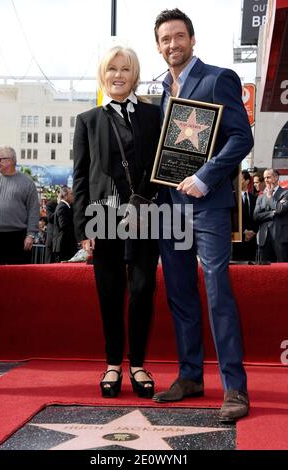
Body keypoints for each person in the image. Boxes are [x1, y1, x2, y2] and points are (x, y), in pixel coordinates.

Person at [152, 9, 254, 423]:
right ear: (159, 46)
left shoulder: (217, 78)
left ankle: (235, 389)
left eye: (178, 36)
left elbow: (241, 137)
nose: (172, 44)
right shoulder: (160, 90)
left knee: (217, 292)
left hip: (207, 204)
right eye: (164, 39)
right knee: (180, 294)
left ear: (192, 40)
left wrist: (205, 177)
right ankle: (191, 376)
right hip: (171, 209)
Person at [73, 46, 161, 398]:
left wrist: (142, 197)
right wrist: (82, 229)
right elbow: (80, 177)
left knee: (142, 290)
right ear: (103, 75)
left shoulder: (153, 116)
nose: (118, 75)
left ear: (134, 74)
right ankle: (113, 364)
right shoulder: (88, 120)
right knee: (109, 292)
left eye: (126, 69)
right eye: (112, 69)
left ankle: (137, 363)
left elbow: (159, 165)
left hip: (146, 215)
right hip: (102, 215)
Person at [0, 146, 39, 265]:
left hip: (18, 237)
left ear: (10, 160)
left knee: (19, 276)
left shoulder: (27, 182)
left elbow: (33, 210)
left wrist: (31, 235)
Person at [253, 168, 288, 262]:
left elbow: (281, 209)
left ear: (276, 177)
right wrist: (272, 213)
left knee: (282, 270)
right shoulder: (260, 196)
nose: (266, 180)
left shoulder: (285, 193)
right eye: (264, 178)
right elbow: (256, 216)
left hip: (280, 238)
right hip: (263, 239)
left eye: (268, 177)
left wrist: (270, 197)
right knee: (264, 272)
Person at [232, 170, 258, 261]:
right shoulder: (233, 197)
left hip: (252, 240)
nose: (239, 181)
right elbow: (232, 217)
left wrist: (253, 231)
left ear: (247, 181)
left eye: (241, 179)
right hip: (237, 239)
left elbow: (257, 217)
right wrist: (244, 231)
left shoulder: (254, 198)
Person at [52, 185, 77, 262]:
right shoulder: (62, 207)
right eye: (71, 194)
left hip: (66, 245)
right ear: (65, 196)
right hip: (63, 246)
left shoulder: (66, 206)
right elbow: (64, 225)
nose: (73, 196)